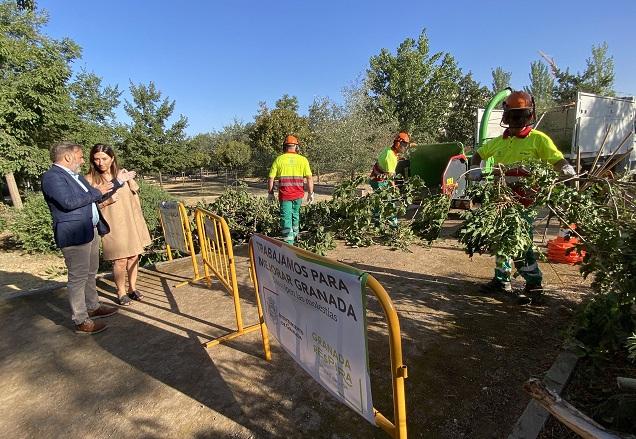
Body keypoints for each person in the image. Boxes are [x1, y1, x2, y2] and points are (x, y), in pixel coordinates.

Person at [469, 91, 576, 304]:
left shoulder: (538, 140)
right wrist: (474, 168)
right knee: (501, 240)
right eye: (513, 117)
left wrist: (566, 169)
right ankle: (501, 280)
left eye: (521, 117)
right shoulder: (499, 141)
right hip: (501, 200)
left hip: (525, 202)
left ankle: (534, 284)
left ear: (528, 116)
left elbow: (557, 159)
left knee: (521, 242)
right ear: (507, 117)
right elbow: (479, 154)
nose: (517, 121)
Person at [41, 141, 131, 334]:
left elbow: (96, 196)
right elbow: (68, 202)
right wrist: (97, 191)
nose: (83, 160)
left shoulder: (75, 177)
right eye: (81, 156)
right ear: (68, 157)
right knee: (78, 278)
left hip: (89, 230)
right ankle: (81, 320)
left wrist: (118, 182)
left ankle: (93, 306)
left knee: (91, 273)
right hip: (74, 235)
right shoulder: (52, 177)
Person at [86, 144, 152, 306]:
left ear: (112, 158)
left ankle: (132, 288)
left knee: (134, 256)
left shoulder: (122, 174)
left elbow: (135, 198)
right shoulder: (90, 179)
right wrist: (106, 202)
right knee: (120, 260)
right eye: (96, 159)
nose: (100, 162)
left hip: (131, 221)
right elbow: (88, 206)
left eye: (104, 158)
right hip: (112, 225)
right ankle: (121, 292)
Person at [267, 135, 314, 245]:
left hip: (285, 196)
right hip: (298, 195)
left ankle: (289, 243)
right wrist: (311, 193)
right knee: (295, 214)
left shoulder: (279, 159)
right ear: (296, 147)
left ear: (284, 147)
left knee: (286, 218)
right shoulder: (303, 160)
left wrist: (270, 193)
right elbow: (309, 178)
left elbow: (271, 178)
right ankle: (296, 236)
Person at [369, 131, 411, 226]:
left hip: (374, 178)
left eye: (406, 145)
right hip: (379, 181)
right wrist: (395, 189)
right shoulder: (390, 157)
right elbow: (390, 178)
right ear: (398, 143)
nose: (405, 147)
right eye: (404, 145)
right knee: (390, 201)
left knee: (378, 200)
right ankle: (393, 224)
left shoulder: (389, 150)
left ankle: (376, 221)